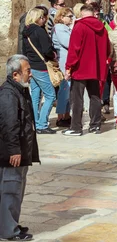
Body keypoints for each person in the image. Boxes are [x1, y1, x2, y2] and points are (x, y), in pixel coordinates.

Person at [0, 55, 39, 242]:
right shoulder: (8, 94)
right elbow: (9, 124)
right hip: (11, 154)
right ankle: (9, 230)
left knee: (15, 191)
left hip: (20, 151)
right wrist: (14, 150)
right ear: (15, 74)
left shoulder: (19, 90)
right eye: (27, 71)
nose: (30, 74)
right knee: (10, 191)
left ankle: (10, 223)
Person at [63, 4, 111, 136]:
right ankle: (95, 125)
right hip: (96, 68)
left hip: (80, 68)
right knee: (95, 97)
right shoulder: (102, 28)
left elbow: (74, 49)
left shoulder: (79, 26)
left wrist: (68, 68)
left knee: (77, 98)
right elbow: (108, 48)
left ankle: (76, 127)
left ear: (81, 13)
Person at [22, 7, 57, 134]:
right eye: (42, 17)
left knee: (36, 96)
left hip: (32, 66)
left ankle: (35, 123)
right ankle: (42, 125)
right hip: (41, 67)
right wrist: (54, 55)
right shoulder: (39, 31)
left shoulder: (26, 31)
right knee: (50, 96)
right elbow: (47, 50)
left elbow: (24, 51)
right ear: (38, 18)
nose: (44, 20)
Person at [52, 7, 74, 128]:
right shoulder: (60, 28)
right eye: (69, 16)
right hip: (63, 63)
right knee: (64, 90)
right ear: (61, 17)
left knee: (67, 89)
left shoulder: (64, 28)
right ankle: (61, 116)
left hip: (66, 62)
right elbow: (69, 43)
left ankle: (66, 114)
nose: (71, 18)